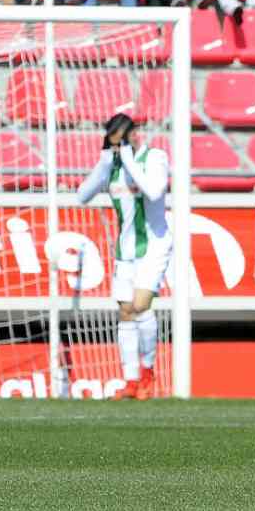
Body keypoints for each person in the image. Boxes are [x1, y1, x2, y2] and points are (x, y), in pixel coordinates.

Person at [77, 114, 171, 401]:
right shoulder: (114, 167)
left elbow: (154, 191)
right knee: (125, 312)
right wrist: (105, 162)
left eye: (124, 136)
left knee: (141, 305)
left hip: (154, 245)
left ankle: (148, 370)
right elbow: (82, 195)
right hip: (125, 250)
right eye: (115, 138)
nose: (121, 143)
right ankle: (130, 380)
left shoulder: (154, 157)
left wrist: (128, 158)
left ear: (135, 133)